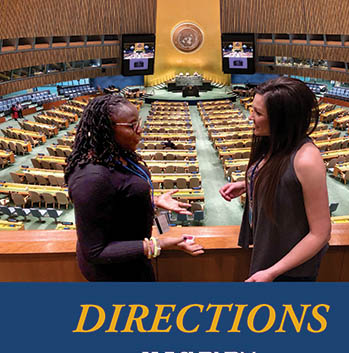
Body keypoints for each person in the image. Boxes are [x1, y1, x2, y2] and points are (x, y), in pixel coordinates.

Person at [65, 95, 203, 282]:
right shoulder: (91, 178)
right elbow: (95, 251)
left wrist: (151, 200)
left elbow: (115, 197)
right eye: (132, 126)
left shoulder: (116, 154)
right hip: (114, 275)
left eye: (138, 122)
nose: (140, 130)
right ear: (106, 128)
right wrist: (159, 244)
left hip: (134, 259)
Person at [219, 77, 331, 282]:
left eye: (258, 113)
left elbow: (320, 234)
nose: (250, 117)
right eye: (252, 109)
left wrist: (272, 272)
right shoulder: (275, 142)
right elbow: (284, 179)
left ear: (282, 119)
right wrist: (249, 184)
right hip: (268, 254)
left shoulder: (307, 161)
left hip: (288, 272)